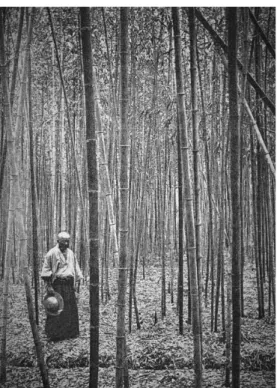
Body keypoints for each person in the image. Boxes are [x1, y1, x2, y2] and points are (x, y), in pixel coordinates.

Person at [41, 231, 83, 341]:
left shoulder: (71, 253)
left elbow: (76, 269)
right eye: (63, 242)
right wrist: (49, 286)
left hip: (69, 285)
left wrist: (78, 282)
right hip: (57, 285)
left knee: (69, 308)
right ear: (58, 241)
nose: (66, 244)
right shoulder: (51, 253)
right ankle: (55, 335)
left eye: (67, 242)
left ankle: (70, 334)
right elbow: (46, 271)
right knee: (56, 308)